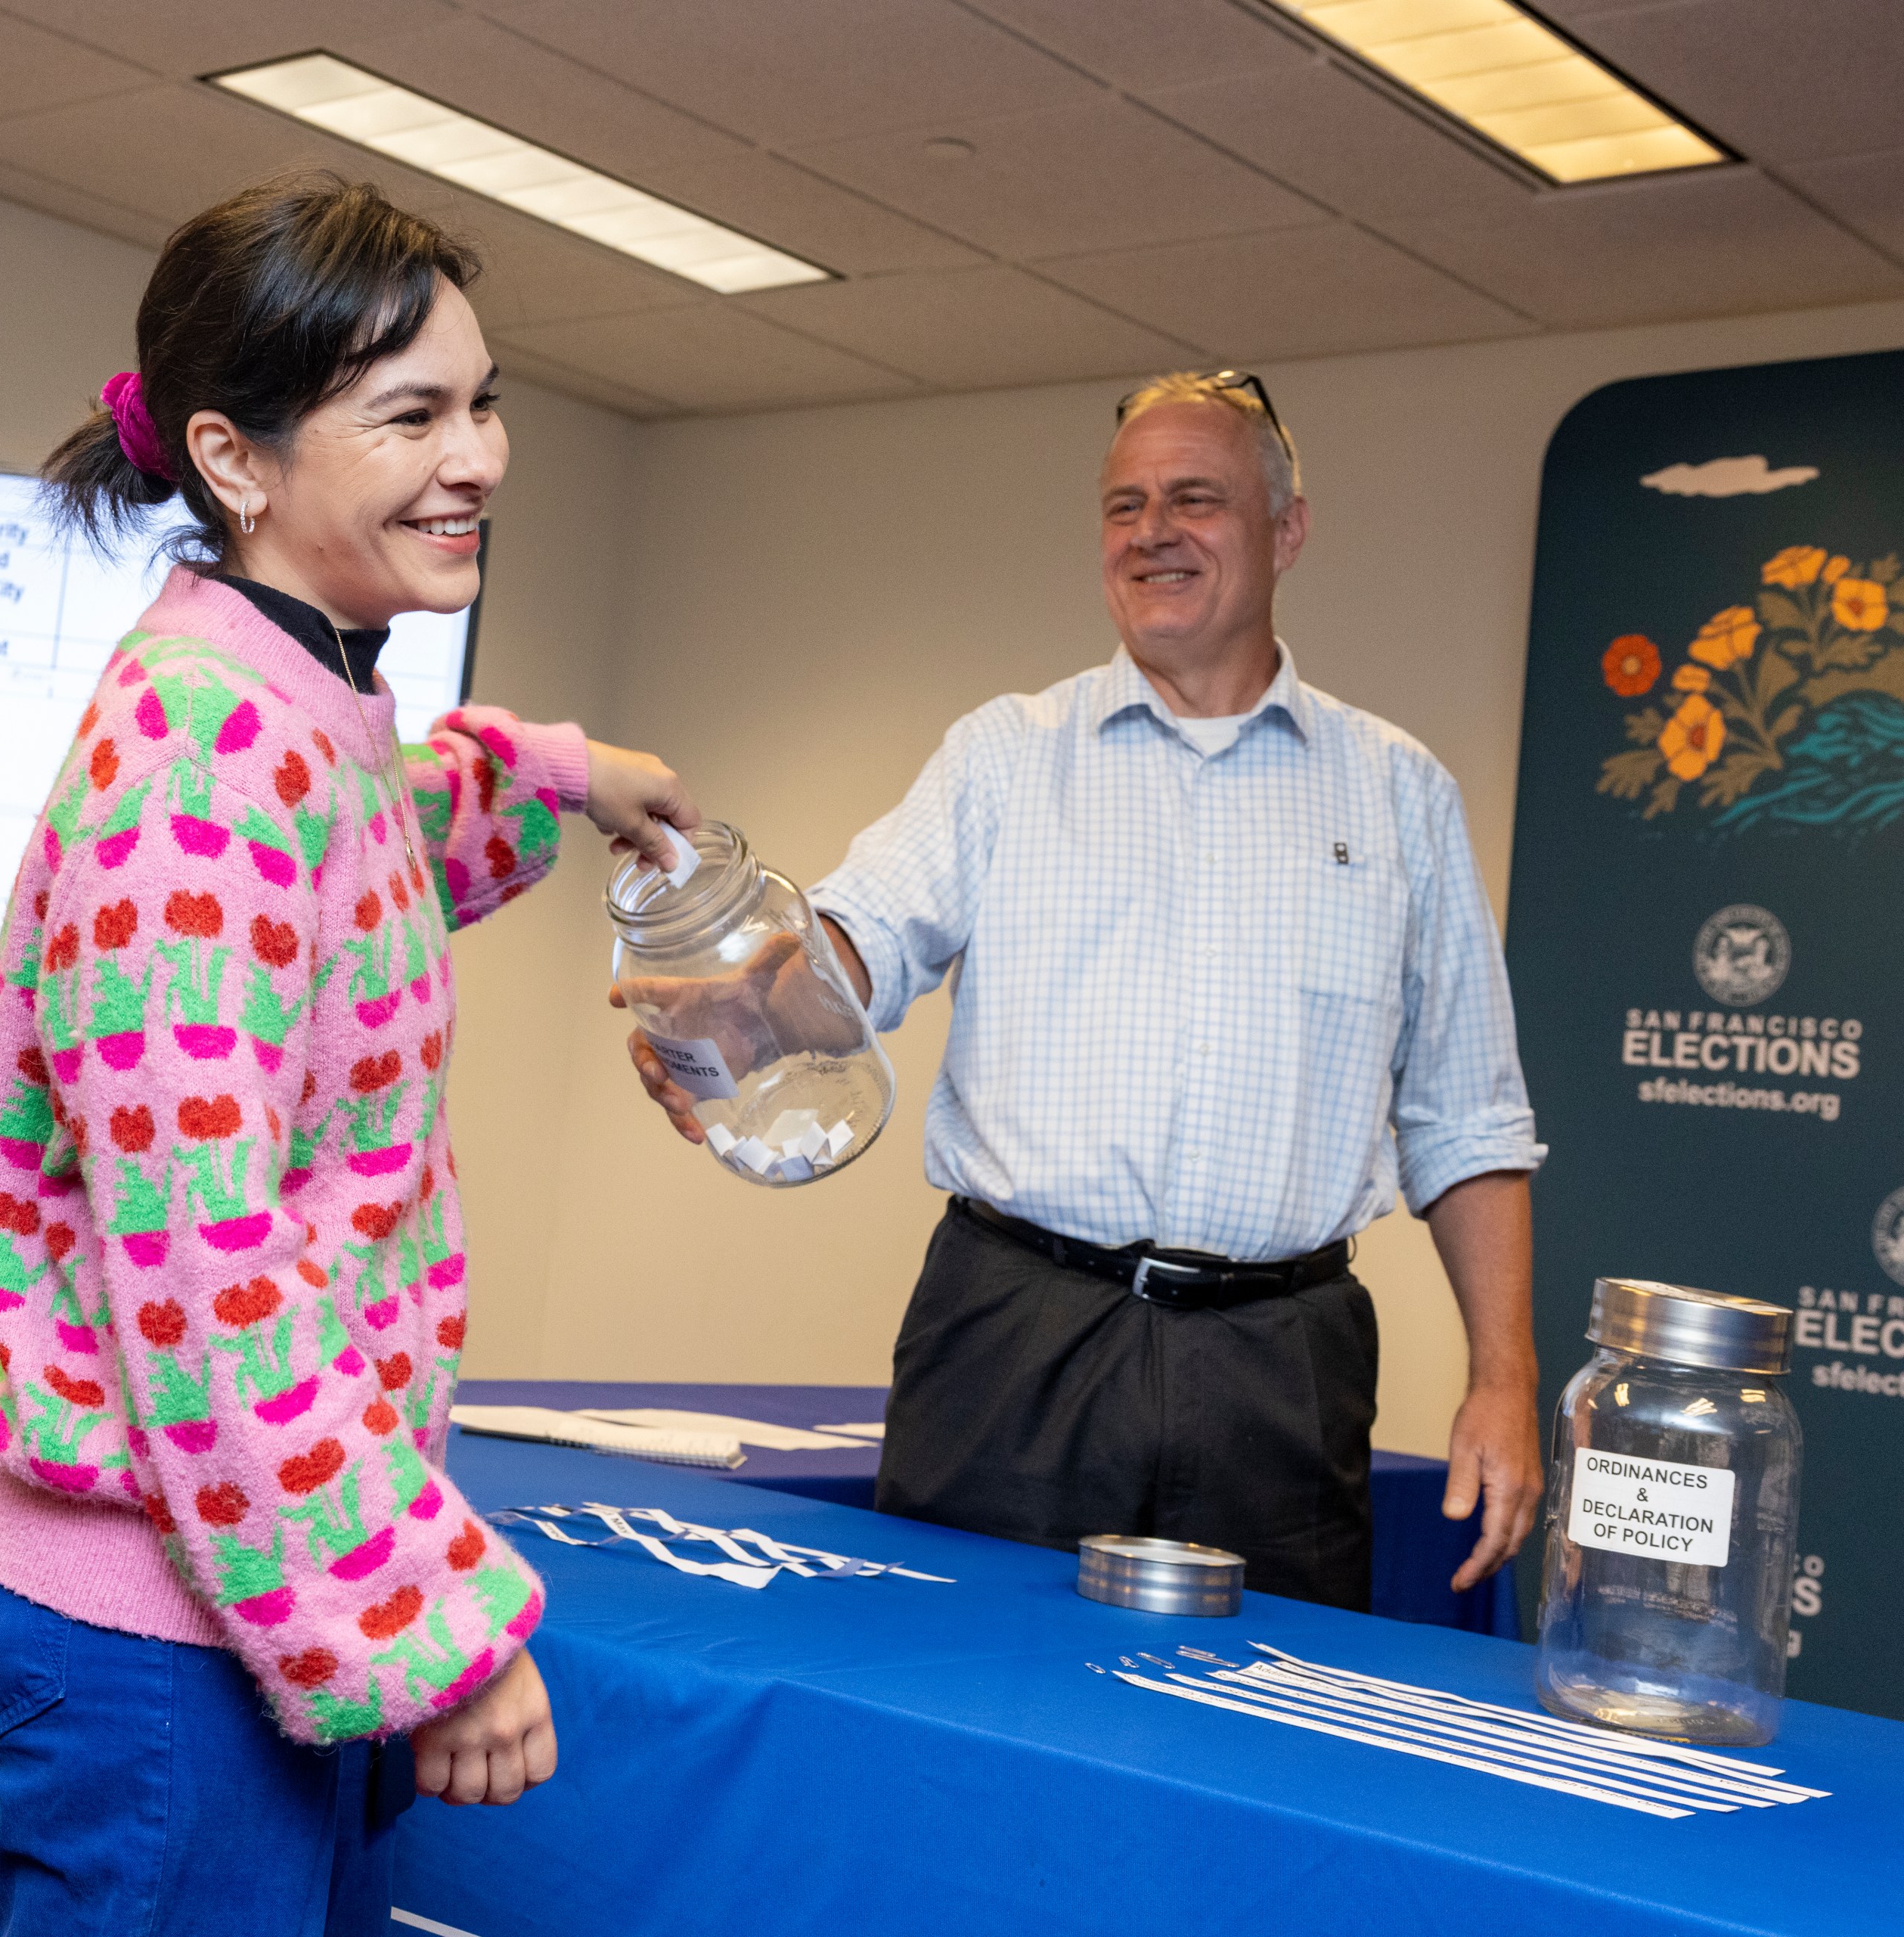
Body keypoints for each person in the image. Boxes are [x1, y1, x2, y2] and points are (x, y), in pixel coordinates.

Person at [0, 173, 695, 1934]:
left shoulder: (291, 699)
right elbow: (209, 1277)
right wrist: (420, 1627)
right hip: (167, 1614)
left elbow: (351, 859)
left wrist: (559, 773)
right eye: (413, 414)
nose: (482, 456)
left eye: (485, 401)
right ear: (235, 458)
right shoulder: (201, 762)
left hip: (220, 1584)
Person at [622, 371, 1546, 1610]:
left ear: (1288, 530)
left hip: (1282, 1363)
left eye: (1195, 498)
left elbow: (1467, 1118)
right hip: (1014, 1333)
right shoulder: (1007, 755)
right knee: (956, 1702)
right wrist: (731, 1012)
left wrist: (1506, 1377)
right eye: (1125, 504)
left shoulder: (1399, 795)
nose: (1152, 529)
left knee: (1257, 1739)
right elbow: (863, 941)